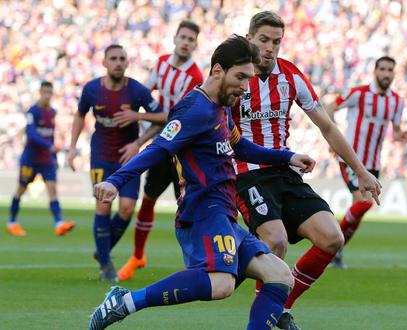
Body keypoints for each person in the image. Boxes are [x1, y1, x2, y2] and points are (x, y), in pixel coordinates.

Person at [88, 35, 316, 330]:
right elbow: (159, 147)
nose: (245, 88)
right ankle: (125, 302)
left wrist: (287, 157)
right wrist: (116, 182)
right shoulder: (195, 109)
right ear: (218, 71)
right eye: (240, 78)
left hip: (224, 214)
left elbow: (240, 147)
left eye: (249, 79)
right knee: (221, 284)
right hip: (201, 212)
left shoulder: (221, 106)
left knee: (280, 276)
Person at [232, 11, 382, 329]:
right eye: (264, 40)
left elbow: (327, 126)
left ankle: (278, 307)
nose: (270, 48)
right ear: (249, 40)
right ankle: (255, 301)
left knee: (331, 238)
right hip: (248, 174)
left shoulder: (291, 77)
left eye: (277, 41)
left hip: (285, 172)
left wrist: (362, 172)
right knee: (276, 242)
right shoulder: (234, 78)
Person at [114, 20, 204, 281]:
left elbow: (175, 117)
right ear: (175, 38)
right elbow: (145, 94)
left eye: (191, 39)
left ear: (195, 45)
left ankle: (196, 262)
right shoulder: (162, 63)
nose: (186, 42)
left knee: (186, 206)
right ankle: (138, 256)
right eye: (183, 37)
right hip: (161, 146)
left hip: (183, 150)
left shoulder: (194, 77)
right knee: (149, 199)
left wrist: (137, 119)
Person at [67, 44, 166, 282]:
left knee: (127, 208)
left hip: (128, 158)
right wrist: (71, 148)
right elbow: (80, 115)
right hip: (100, 155)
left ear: (127, 63)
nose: (119, 62)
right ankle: (105, 264)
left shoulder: (136, 90)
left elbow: (164, 117)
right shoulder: (91, 89)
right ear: (104, 62)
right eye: (113, 58)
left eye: (123, 58)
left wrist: (138, 131)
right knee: (103, 205)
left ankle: (102, 250)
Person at [326, 56, 407, 268]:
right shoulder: (359, 94)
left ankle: (335, 249)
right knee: (364, 202)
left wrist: (402, 136)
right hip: (351, 158)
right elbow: (329, 107)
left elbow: (397, 130)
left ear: (394, 73)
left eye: (390, 70)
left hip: (373, 164)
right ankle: (329, 244)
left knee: (361, 207)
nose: (386, 73)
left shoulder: (397, 102)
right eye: (382, 69)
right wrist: (332, 137)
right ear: (375, 71)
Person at [6, 81, 76, 237]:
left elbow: (49, 136)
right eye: (44, 92)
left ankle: (59, 224)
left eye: (49, 93)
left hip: (46, 160)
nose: (47, 95)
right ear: (40, 92)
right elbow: (31, 134)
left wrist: (53, 156)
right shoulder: (33, 111)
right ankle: (12, 222)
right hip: (30, 158)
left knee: (52, 189)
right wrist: (48, 146)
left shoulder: (52, 112)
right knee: (21, 189)